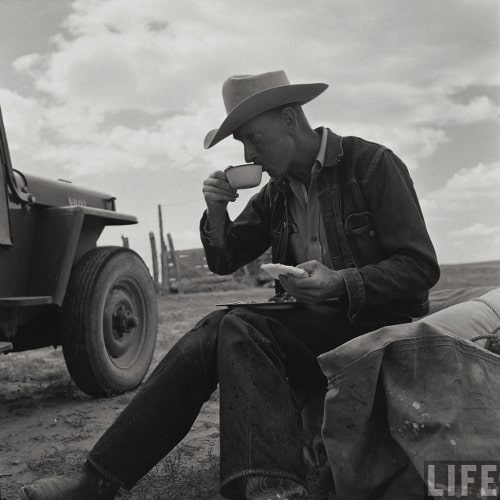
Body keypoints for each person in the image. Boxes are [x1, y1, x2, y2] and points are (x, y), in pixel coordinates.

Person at [19, 70, 439, 500]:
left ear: (291, 119)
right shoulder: (276, 192)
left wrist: (339, 283)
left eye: (253, 137)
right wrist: (216, 211)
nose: (247, 152)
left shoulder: (371, 165)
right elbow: (225, 259)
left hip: (376, 323)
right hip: (317, 326)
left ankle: (270, 490)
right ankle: (99, 481)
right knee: (216, 329)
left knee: (240, 326)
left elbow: (420, 266)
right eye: (242, 142)